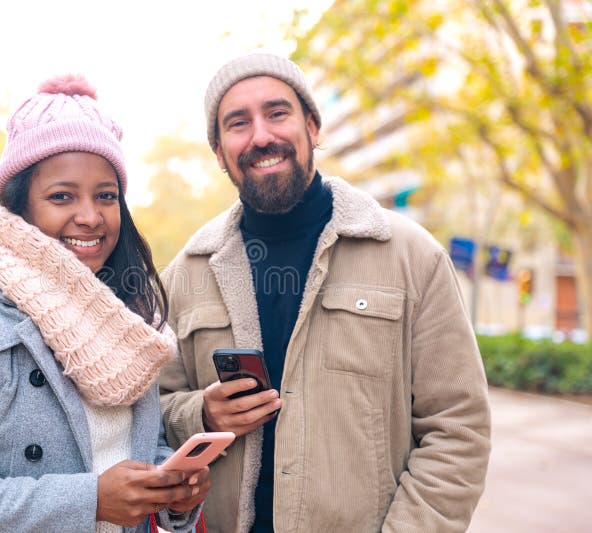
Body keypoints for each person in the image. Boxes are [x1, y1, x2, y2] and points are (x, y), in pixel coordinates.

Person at [159, 52, 491, 532]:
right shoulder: (184, 275)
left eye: (277, 113)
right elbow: (151, 416)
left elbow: (458, 429)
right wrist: (201, 412)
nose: (261, 135)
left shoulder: (412, 256)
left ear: (312, 127)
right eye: (238, 123)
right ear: (219, 152)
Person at [0, 74, 209, 533]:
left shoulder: (127, 319)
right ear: (20, 205)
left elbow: (137, 451)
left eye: (106, 196)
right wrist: (89, 500)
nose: (90, 216)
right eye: (62, 196)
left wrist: (172, 493)